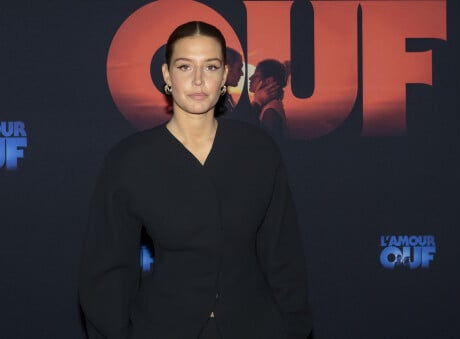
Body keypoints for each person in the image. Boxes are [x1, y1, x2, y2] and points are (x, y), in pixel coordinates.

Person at [79, 21, 311, 339]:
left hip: (256, 327)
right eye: (185, 66)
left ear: (224, 77)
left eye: (211, 66)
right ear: (166, 76)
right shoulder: (131, 160)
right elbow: (106, 271)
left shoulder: (258, 150)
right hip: (163, 327)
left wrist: (292, 329)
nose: (199, 80)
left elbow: (284, 256)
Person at [249, 59, 290, 138]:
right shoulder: (269, 107)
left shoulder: (270, 112)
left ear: (268, 81)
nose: (250, 78)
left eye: (256, 75)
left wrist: (257, 101)